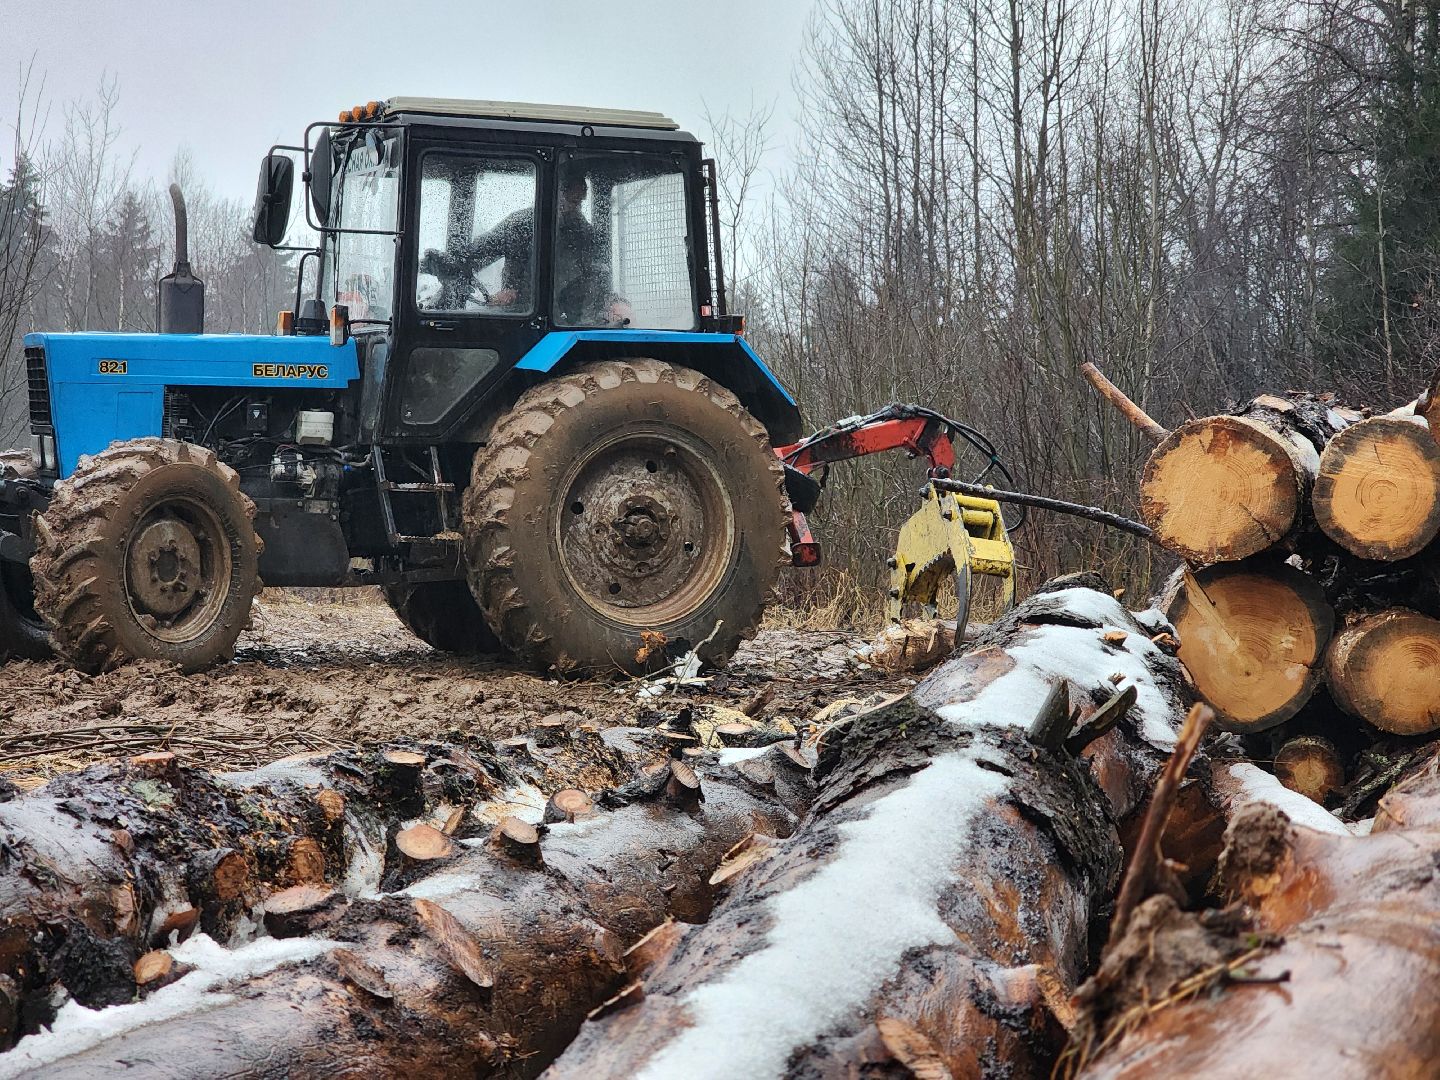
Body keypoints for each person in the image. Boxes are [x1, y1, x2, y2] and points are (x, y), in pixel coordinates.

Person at [422, 172, 629, 325]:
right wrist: (450, 262)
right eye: (572, 201)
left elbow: (598, 272)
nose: (575, 208)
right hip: (523, 310)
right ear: (554, 194)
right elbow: (480, 251)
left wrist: (611, 300)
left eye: (579, 202)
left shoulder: (584, 233)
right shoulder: (522, 224)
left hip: (562, 320)